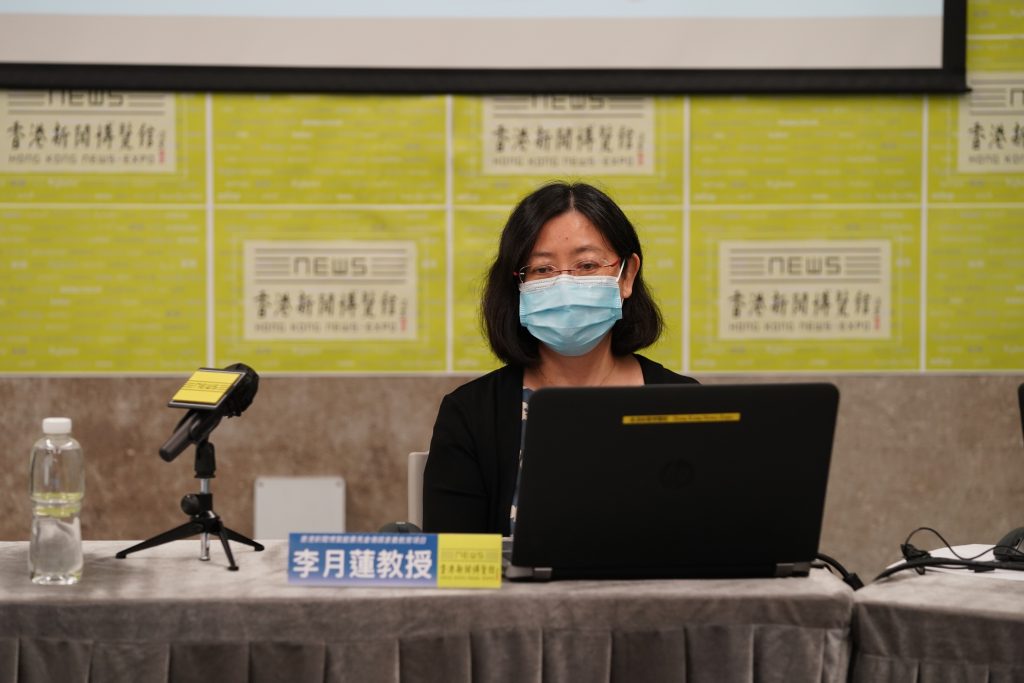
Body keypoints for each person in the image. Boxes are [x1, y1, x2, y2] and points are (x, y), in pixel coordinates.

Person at [422, 181, 697, 534]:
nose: (565, 285)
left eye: (587, 265)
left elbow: (712, 542)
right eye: (542, 269)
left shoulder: (685, 404)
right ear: (518, 285)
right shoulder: (471, 414)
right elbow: (453, 556)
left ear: (626, 275)